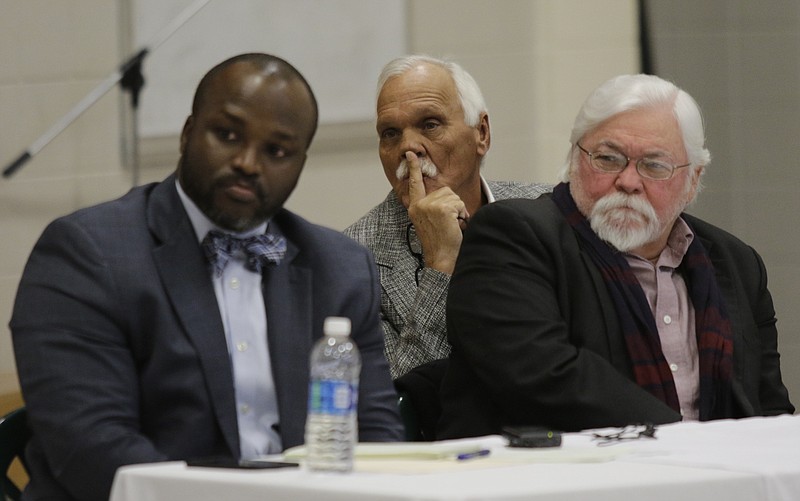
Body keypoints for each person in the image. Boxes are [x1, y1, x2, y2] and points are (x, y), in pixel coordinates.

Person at [11, 53, 403, 501]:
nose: (248, 163)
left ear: (299, 164)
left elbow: (375, 439)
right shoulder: (88, 253)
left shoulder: (340, 268)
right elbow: (94, 448)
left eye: (277, 151)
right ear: (187, 132)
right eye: (228, 135)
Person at [438, 74, 795, 439]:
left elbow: (767, 407)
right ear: (576, 157)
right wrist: (687, 445)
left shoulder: (737, 264)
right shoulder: (514, 235)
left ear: (693, 181)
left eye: (655, 165)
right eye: (608, 159)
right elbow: (545, 378)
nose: (628, 181)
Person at [344, 55, 550, 380]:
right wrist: (440, 265)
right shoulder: (353, 260)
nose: (409, 147)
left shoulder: (545, 210)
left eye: (430, 124)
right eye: (390, 133)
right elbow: (399, 398)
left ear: (481, 133)